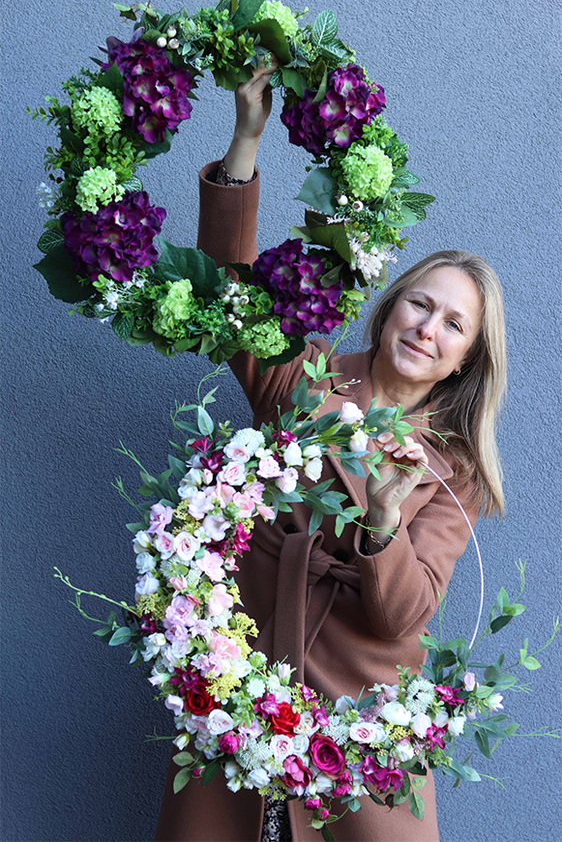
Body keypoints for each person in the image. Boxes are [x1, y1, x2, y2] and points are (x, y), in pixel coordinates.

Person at [155, 63, 507, 842]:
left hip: (361, 715)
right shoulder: (303, 379)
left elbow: (402, 618)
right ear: (388, 309)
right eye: (420, 303)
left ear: (465, 359)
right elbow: (232, 293)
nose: (428, 328)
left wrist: (382, 524)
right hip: (239, 688)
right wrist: (246, 140)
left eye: (454, 325)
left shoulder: (456, 472)